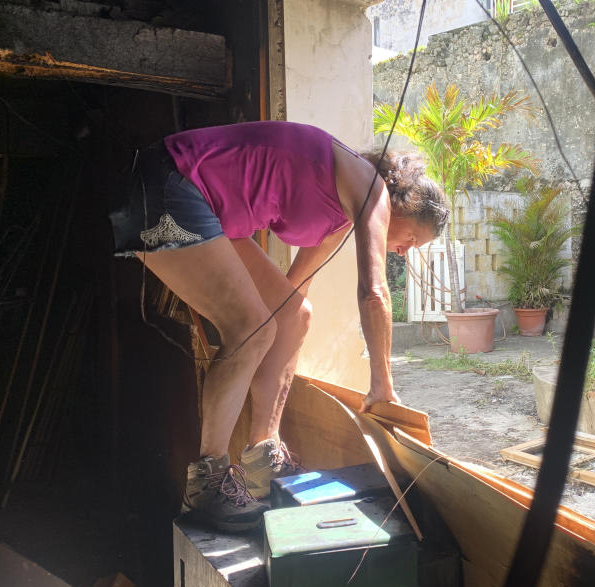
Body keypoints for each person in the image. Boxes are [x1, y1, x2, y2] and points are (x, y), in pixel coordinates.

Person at [109, 121, 449, 531]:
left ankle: (261, 456)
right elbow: (374, 291)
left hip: (203, 208)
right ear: (401, 206)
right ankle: (207, 484)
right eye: (413, 238)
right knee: (251, 327)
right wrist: (383, 385)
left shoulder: (340, 214)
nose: (406, 251)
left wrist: (272, 342)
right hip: (168, 184)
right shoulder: (370, 187)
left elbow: (292, 295)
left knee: (294, 315)